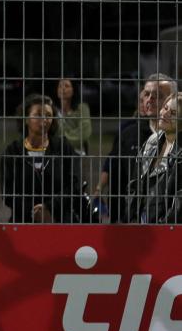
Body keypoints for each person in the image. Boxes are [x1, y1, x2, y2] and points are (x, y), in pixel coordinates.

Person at [94, 73, 177, 222]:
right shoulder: (128, 135)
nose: (149, 99)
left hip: (172, 223)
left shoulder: (178, 139)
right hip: (132, 222)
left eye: (157, 95)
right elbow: (117, 181)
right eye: (146, 94)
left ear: (172, 100)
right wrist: (118, 218)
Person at [1, 95, 84, 223]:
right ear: (26, 118)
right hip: (23, 221)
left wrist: (49, 208)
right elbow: (7, 193)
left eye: (48, 115)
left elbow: (75, 184)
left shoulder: (63, 147)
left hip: (60, 220)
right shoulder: (13, 151)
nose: (44, 119)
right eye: (38, 114)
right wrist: (34, 212)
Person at [127, 91, 182, 224]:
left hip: (168, 230)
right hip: (141, 225)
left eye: (173, 113)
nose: (165, 114)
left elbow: (179, 203)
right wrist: (131, 218)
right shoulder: (151, 141)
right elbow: (134, 184)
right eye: (166, 108)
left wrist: (162, 227)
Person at [54, 78, 92, 156]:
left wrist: (62, 141)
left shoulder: (82, 108)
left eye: (67, 86)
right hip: (56, 153)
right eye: (60, 86)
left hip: (77, 153)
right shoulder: (53, 111)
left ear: (73, 90)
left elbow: (84, 132)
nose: (63, 88)